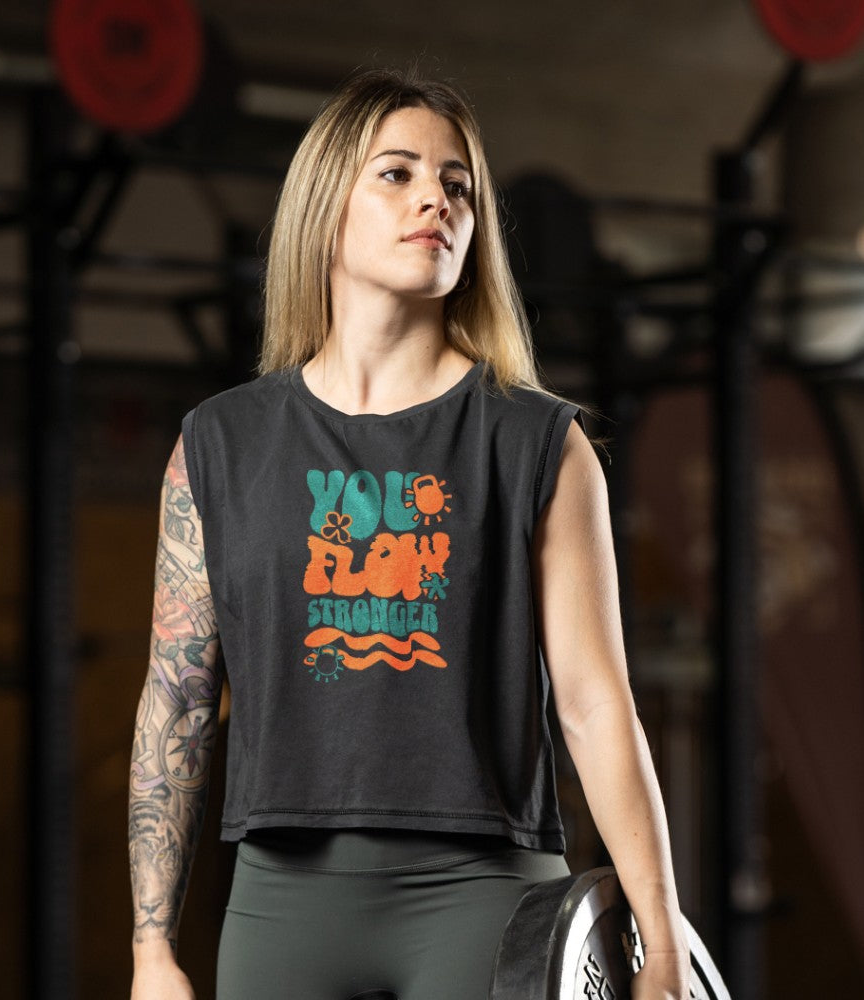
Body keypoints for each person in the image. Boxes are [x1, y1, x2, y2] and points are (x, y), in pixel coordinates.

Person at [129, 69, 690, 1000]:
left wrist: (661, 947)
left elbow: (597, 707)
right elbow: (177, 701)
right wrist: (152, 952)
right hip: (280, 904)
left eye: (457, 184)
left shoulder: (538, 443)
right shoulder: (217, 446)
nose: (437, 198)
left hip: (487, 897)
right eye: (397, 173)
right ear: (325, 208)